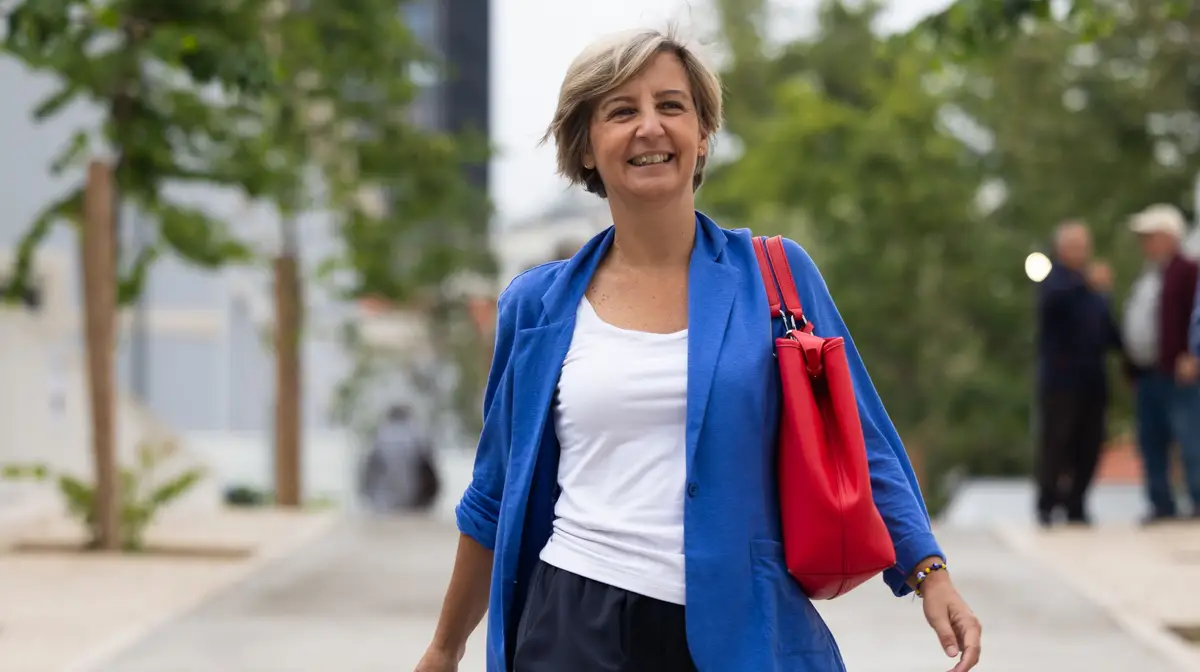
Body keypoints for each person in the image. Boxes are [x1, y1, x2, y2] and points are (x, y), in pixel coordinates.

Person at [415, 28, 981, 672]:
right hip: (572, 624)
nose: (649, 127)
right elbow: (494, 493)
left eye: (671, 106)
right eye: (621, 111)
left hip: (740, 626)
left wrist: (929, 573)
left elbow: (864, 440)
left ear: (703, 133)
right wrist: (444, 648)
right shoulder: (536, 305)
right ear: (586, 147)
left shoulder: (776, 279)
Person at [1034, 221, 1124, 527]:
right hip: (1061, 380)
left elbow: (1107, 328)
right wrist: (1086, 282)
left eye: (1084, 246)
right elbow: (1052, 304)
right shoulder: (1056, 281)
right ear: (1060, 249)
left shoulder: (1095, 290)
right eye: (1073, 246)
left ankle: (1077, 503)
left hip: (1092, 378)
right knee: (1057, 443)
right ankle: (1047, 503)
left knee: (1089, 443)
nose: (1080, 252)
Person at [1123, 204, 1200, 523]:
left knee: (1190, 439)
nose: (1144, 243)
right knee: (1151, 442)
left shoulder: (1189, 271)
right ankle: (1161, 504)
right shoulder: (1149, 274)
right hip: (1148, 373)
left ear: (1168, 236)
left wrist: (1194, 354)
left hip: (1179, 372)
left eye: (1150, 236)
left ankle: (1197, 500)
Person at [359, 404, 440, 513]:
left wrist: (371, 497)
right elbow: (430, 474)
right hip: (414, 503)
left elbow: (368, 474)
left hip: (384, 504)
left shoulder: (379, 438)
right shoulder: (419, 437)